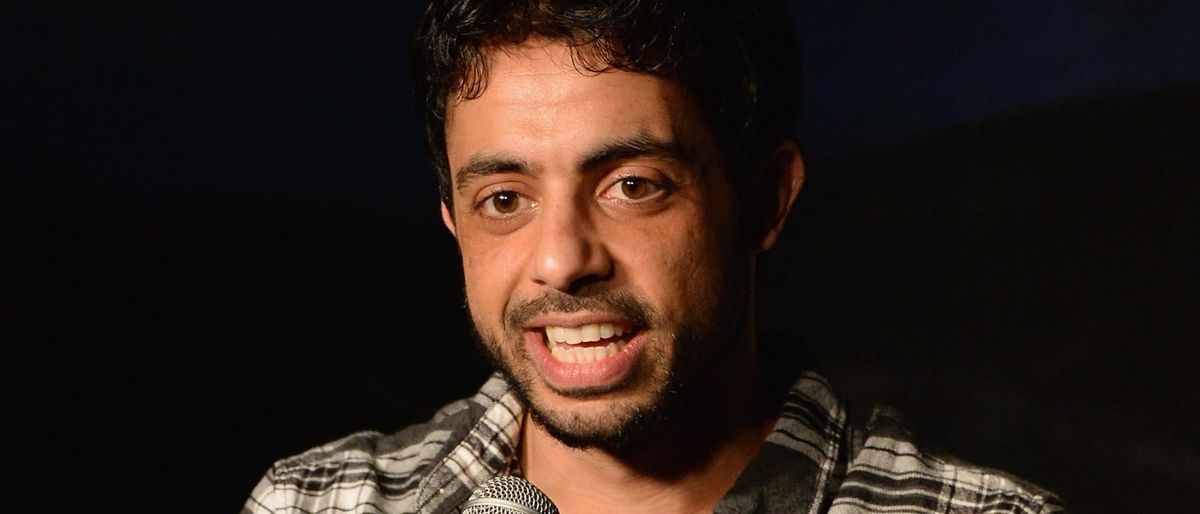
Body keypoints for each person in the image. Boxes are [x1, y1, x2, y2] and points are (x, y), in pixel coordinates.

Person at [242, 1, 1064, 512]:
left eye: (632, 186)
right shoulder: (317, 505)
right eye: (504, 200)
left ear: (765, 201)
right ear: (454, 223)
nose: (561, 260)